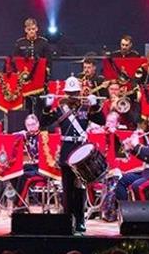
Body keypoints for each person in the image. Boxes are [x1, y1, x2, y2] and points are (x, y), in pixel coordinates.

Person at [37, 76, 104, 233]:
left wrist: (96, 105)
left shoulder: (85, 109)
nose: (73, 95)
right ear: (65, 93)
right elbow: (43, 124)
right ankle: (68, 220)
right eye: (70, 92)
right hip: (67, 152)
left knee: (80, 190)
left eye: (75, 92)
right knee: (67, 190)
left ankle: (80, 221)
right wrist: (47, 107)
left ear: (79, 92)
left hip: (81, 153)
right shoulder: (60, 109)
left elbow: (101, 121)